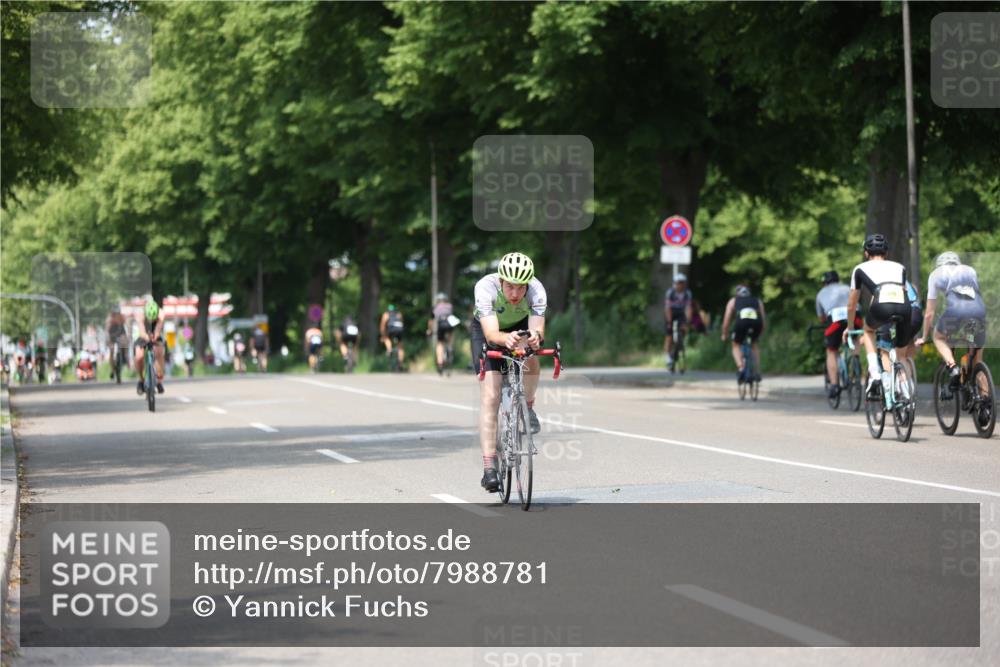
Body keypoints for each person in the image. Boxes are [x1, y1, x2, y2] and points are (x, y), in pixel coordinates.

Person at [470, 252, 547, 493]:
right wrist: (505, 340)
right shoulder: (485, 288)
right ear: (501, 282)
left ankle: (529, 407)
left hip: (519, 326)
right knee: (491, 397)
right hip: (488, 330)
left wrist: (534, 338)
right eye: (510, 287)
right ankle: (489, 466)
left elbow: (537, 329)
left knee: (533, 357)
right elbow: (493, 334)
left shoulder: (537, 290)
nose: (515, 294)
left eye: (520, 288)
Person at [843, 234, 912, 398]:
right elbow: (901, 290)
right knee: (899, 353)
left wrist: (850, 327)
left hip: (882, 304)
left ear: (866, 253)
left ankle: (874, 374)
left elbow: (852, 303)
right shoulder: (900, 267)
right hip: (904, 307)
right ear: (886, 253)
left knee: (868, 331)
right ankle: (906, 391)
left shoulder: (859, 269)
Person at [915, 251, 987, 399]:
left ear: (939, 265)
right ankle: (985, 401)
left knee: (939, 337)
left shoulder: (935, 274)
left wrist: (924, 336)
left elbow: (929, 313)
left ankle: (953, 367)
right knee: (976, 359)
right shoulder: (970, 270)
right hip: (978, 311)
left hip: (956, 312)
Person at [816, 270, 862, 398]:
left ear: (824, 282)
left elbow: (822, 318)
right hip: (855, 316)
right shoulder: (847, 287)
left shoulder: (820, 294)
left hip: (835, 320)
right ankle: (856, 361)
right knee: (855, 336)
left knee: (831, 350)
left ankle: (835, 385)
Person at [721, 284, 765, 382]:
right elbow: (763, 319)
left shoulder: (733, 301)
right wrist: (761, 332)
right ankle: (757, 371)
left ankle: (741, 368)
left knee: (736, 344)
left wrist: (724, 333)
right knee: (754, 344)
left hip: (741, 323)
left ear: (737, 293)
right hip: (756, 323)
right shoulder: (757, 301)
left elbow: (726, 320)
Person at [135, 299, 166, 395]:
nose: (152, 320)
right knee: (139, 356)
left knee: (159, 352)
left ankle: (159, 379)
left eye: (154, 318)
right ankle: (141, 380)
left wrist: (155, 337)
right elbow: (142, 331)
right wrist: (147, 337)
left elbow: (157, 329)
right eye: (150, 318)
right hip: (143, 335)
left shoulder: (161, 314)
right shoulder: (140, 315)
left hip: (155, 334)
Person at [663, 274, 694, 371]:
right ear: (675, 283)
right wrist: (669, 322)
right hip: (671, 312)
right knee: (669, 335)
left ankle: (679, 345)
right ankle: (668, 357)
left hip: (681, 313)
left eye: (682, 283)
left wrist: (688, 321)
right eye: (678, 283)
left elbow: (689, 308)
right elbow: (667, 308)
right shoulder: (670, 292)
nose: (680, 285)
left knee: (683, 329)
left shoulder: (687, 293)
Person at [427, 292, 457, 375]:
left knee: (440, 343)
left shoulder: (435, 307)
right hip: (450, 324)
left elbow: (431, 321)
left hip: (441, 325)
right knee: (451, 335)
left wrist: (430, 330)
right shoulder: (449, 306)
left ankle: (440, 363)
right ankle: (450, 347)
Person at [105, 304, 129, 379]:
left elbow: (127, 326)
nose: (116, 315)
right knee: (111, 351)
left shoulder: (122, 317)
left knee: (124, 342)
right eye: (115, 314)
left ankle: (125, 357)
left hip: (121, 333)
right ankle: (113, 370)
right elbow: (107, 330)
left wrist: (128, 336)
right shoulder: (109, 318)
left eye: (117, 313)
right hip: (112, 334)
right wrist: (108, 339)